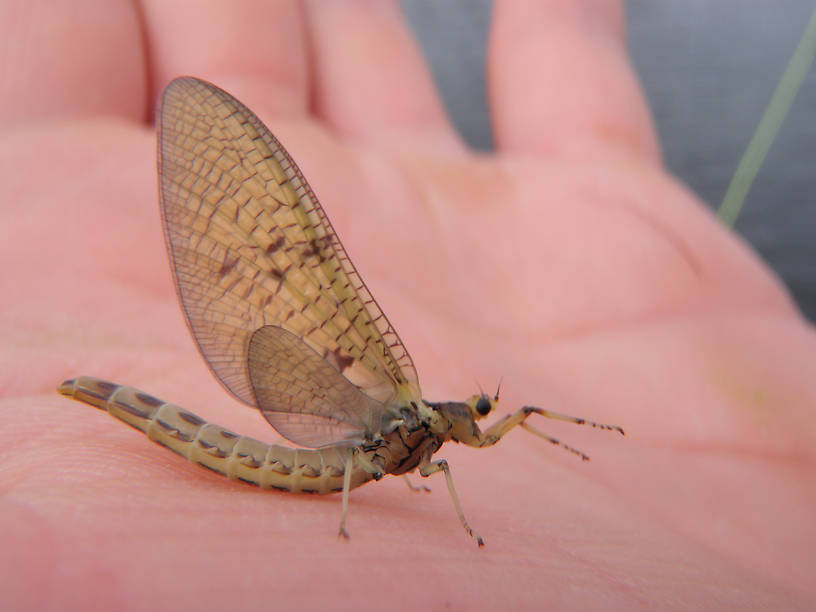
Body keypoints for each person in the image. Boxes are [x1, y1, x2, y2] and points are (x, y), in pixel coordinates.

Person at [1, 1, 812, 608]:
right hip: (304, 460)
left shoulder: (429, 435)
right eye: (479, 413)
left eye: (482, 413)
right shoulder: (412, 419)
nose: (482, 420)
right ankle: (107, 397)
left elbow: (478, 444)